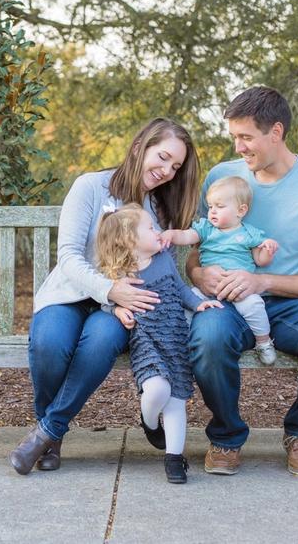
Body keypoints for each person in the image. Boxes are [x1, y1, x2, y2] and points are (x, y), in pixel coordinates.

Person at [9, 117, 200, 475]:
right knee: (49, 343)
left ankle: (46, 434)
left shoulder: (159, 209)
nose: (166, 171)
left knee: (99, 342)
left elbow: (165, 273)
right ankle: (52, 433)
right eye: (162, 157)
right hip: (72, 293)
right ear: (138, 147)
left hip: (118, 311)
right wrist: (109, 290)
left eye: (175, 166)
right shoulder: (91, 187)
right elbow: (68, 256)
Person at [187, 86, 298, 477]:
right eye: (234, 137)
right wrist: (200, 274)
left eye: (245, 137)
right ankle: (226, 436)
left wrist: (262, 281)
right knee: (208, 338)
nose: (238, 147)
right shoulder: (222, 178)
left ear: (276, 132)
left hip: (288, 303)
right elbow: (197, 254)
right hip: (228, 302)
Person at [95, 204, 222, 483]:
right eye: (150, 228)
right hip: (147, 341)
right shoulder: (119, 273)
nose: (157, 232)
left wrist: (200, 305)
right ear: (130, 240)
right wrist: (116, 310)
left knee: (176, 399)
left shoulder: (164, 258)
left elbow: (179, 289)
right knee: (156, 390)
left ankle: (174, 459)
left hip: (176, 337)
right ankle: (150, 423)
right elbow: (103, 301)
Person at [161, 175, 278, 365]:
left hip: (239, 289)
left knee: (255, 306)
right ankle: (180, 342)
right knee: (190, 300)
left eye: (220, 207)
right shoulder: (206, 229)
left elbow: (260, 260)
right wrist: (171, 235)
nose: (213, 212)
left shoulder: (248, 233)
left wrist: (268, 250)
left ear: (241, 210)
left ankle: (263, 341)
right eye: (210, 207)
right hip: (208, 288)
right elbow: (186, 236)